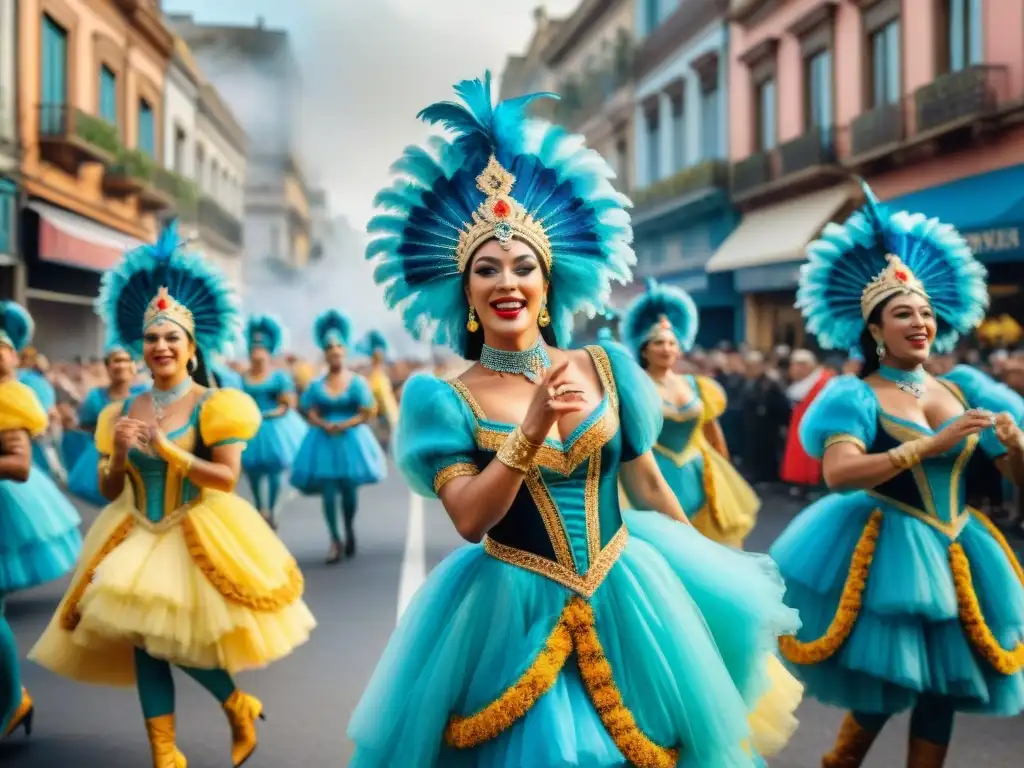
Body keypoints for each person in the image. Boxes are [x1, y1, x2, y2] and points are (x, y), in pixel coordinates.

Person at [346, 72, 802, 767]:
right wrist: (528, 432)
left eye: (523, 266)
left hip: (626, 591)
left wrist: (705, 571)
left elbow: (647, 484)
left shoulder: (608, 366)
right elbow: (470, 519)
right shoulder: (444, 398)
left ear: (548, 281)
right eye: (487, 269)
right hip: (508, 610)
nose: (507, 282)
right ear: (464, 292)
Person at [30, 220, 316, 768]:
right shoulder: (123, 409)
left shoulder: (215, 404)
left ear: (190, 349)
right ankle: (164, 752)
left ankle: (236, 702)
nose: (160, 346)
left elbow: (227, 478)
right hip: (134, 530)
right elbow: (110, 486)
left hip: (195, 525)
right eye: (152, 338)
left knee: (175, 642)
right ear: (141, 348)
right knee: (144, 640)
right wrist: (114, 450)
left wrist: (170, 450)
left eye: (171, 339)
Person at [771, 181, 1024, 767]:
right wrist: (930, 444)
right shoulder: (853, 396)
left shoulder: (966, 388)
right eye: (902, 313)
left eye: (926, 312)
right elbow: (837, 474)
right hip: (892, 548)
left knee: (945, 690)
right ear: (876, 330)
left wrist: (1013, 447)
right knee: (888, 685)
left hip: (961, 545)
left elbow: (1017, 477)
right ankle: (840, 763)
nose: (919, 322)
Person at [621, 279, 759, 547]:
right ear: (644, 349)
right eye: (658, 342)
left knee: (709, 549)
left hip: (701, 472)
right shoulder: (634, 389)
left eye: (672, 343)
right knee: (667, 546)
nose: (667, 349)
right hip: (657, 474)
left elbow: (713, 433)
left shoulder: (699, 385)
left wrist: (725, 477)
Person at [0, 301, 83, 741]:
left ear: (16, 355)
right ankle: (13, 699)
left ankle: (13, 701)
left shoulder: (11, 398)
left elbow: (18, 464)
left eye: (2, 347)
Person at [291, 310, 386, 562]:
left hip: (351, 440)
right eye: (329, 348)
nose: (334, 352)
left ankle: (349, 527)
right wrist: (321, 422)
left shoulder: (356, 382)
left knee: (349, 492)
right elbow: (307, 408)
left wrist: (345, 424)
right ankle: (335, 539)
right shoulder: (316, 383)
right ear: (325, 353)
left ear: (344, 351)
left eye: (338, 347)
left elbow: (367, 411)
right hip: (323, 441)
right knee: (329, 492)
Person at [240, 314, 307, 528]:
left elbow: (288, 403)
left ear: (269, 352)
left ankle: (271, 509)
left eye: (261, 349)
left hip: (274, 428)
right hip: (250, 427)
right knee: (252, 471)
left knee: (274, 469)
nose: (257, 353)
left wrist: (270, 414)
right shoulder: (243, 376)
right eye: (254, 349)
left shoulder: (279, 377)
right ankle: (261, 508)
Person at [67, 343, 146, 507]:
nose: (122, 365)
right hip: (101, 459)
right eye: (116, 361)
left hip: (139, 458)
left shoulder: (145, 394)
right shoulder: (96, 396)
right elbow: (85, 425)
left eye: (126, 360)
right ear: (107, 366)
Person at [780, 349, 833, 498]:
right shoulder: (802, 382)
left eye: (796, 366)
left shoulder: (823, 381)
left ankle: (816, 487)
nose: (793, 370)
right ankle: (803, 484)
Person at [360, 329, 399, 449]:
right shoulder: (371, 377)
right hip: (379, 420)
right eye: (376, 356)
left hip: (390, 418)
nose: (379, 358)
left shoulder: (382, 375)